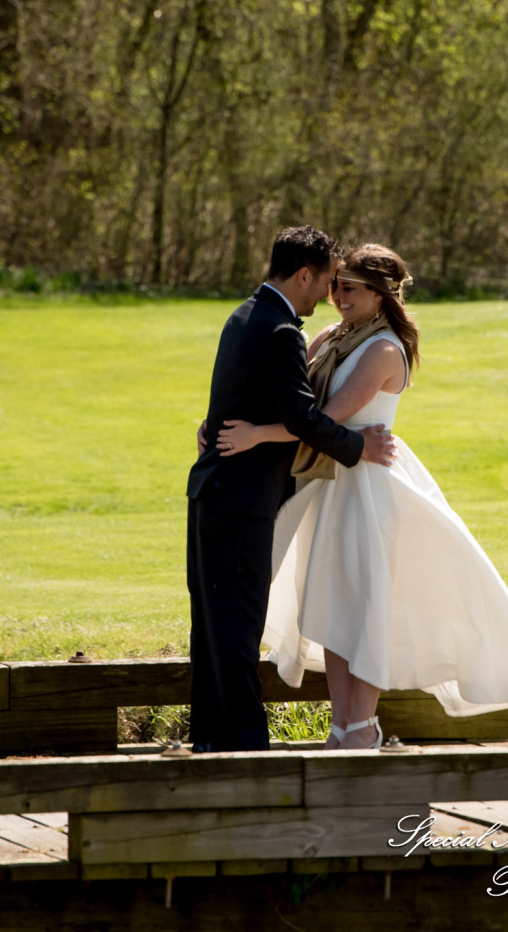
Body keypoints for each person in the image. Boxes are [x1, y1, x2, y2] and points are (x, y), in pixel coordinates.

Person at [216, 243, 508, 749]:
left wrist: (257, 435)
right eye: (335, 286)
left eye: (348, 288)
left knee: (368, 607)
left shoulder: (384, 349)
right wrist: (221, 419)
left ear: (379, 294)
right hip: (329, 487)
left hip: (371, 490)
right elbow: (286, 397)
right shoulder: (331, 337)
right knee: (330, 606)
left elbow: (322, 419)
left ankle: (362, 726)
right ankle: (340, 726)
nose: (337, 296)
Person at [186, 226, 396, 753]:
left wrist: (220, 428)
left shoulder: (243, 314)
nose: (329, 293)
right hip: (241, 498)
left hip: (218, 491)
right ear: (304, 274)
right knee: (234, 628)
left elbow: (247, 397)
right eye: (328, 280)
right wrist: (356, 446)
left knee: (215, 626)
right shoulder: (282, 330)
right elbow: (304, 417)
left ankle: (215, 738)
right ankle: (243, 747)